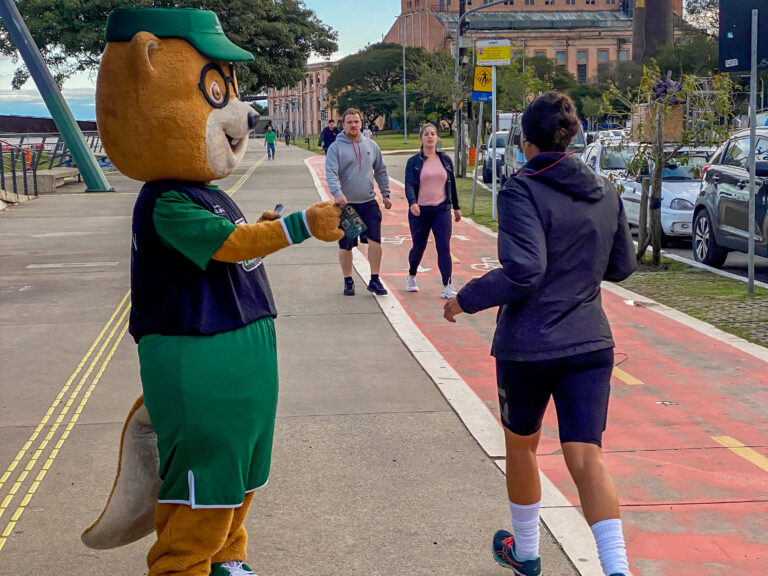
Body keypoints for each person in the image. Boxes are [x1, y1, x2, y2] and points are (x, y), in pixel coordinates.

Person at [444, 91, 636, 576]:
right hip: (592, 340)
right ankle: (616, 569)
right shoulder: (605, 189)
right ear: (570, 139)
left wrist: (465, 299)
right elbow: (622, 266)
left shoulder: (520, 188)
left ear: (525, 141)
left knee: (522, 445)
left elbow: (525, 270)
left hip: (529, 345)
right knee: (586, 458)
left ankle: (526, 553)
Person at [325, 107, 392, 296]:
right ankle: (348, 280)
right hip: (346, 206)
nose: (353, 125)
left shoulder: (371, 146)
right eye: (349, 122)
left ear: (361, 124)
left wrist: (385, 194)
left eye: (356, 121)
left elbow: (381, 170)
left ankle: (375, 279)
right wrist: (337, 193)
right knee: (346, 244)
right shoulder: (336, 148)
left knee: (375, 241)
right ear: (343, 125)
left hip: (369, 202)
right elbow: (331, 173)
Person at [404, 123, 461, 298]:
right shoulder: (414, 162)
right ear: (421, 138)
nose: (430, 137)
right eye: (426, 134)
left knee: (443, 247)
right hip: (420, 212)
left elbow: (451, 185)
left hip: (441, 210)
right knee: (418, 247)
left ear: (437, 138)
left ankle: (447, 285)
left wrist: (456, 207)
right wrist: (412, 203)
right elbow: (408, 185)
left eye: (433, 134)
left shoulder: (445, 160)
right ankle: (412, 275)